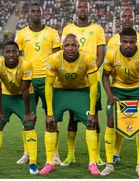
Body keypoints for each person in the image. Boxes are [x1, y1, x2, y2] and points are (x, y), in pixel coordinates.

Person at [39, 34, 100, 175]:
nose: (70, 48)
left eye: (73, 45)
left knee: (91, 123)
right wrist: (49, 113)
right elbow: (48, 86)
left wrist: (92, 112)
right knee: (50, 124)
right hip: (60, 91)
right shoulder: (54, 59)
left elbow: (93, 84)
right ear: (62, 47)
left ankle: (92, 163)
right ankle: (49, 162)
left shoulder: (88, 58)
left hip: (80, 91)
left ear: (78, 46)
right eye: (67, 45)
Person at [100, 27, 139, 177]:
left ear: (136, 41)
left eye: (131, 42)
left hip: (137, 89)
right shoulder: (111, 53)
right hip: (117, 89)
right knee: (111, 121)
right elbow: (105, 76)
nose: (128, 45)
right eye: (125, 42)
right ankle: (109, 163)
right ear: (120, 41)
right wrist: (110, 95)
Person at [15, 2, 62, 165]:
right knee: (28, 117)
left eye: (38, 11)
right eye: (33, 11)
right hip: (29, 80)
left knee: (52, 117)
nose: (36, 13)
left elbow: (57, 58)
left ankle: (55, 154)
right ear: (29, 14)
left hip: (49, 80)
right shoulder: (21, 34)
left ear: (42, 13)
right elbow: (18, 58)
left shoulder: (52, 33)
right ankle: (27, 152)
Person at [61, 0, 106, 166]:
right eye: (79, 7)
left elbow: (100, 55)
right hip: (73, 82)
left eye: (84, 7)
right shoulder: (68, 29)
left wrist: (91, 72)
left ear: (89, 9)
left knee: (94, 118)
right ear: (75, 9)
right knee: (72, 118)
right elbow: (63, 54)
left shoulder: (97, 29)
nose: (82, 9)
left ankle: (97, 155)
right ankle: (70, 155)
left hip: (92, 80)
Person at [0, 41, 38, 175]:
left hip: (24, 97)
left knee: (29, 124)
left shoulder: (26, 64)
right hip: (5, 96)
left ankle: (33, 163)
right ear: (3, 54)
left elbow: (24, 90)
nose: (12, 55)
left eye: (15, 51)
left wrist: (28, 113)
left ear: (19, 53)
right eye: (8, 52)